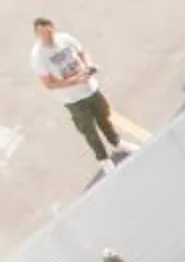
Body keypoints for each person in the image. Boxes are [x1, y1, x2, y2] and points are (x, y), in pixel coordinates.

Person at [31, 18, 128, 171]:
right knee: (89, 130)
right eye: (42, 34)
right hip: (73, 100)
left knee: (104, 117)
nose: (46, 36)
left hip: (91, 88)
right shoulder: (38, 56)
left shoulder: (65, 39)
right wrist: (75, 81)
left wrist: (89, 66)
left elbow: (82, 53)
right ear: (37, 34)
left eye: (48, 32)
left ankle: (117, 143)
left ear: (53, 28)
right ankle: (103, 159)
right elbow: (49, 84)